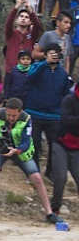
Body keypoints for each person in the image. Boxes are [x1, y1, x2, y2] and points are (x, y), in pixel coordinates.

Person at [0, 98, 62, 224]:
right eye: (9, 115)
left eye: (14, 115)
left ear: (20, 112)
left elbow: (26, 141)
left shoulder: (26, 119)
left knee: (37, 177)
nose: (11, 118)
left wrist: (17, 150)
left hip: (19, 150)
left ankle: (49, 213)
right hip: (0, 147)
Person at [25, 42, 72, 174]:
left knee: (54, 146)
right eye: (51, 53)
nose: (54, 56)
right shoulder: (36, 67)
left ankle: (50, 171)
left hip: (54, 116)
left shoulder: (63, 74)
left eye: (56, 54)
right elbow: (29, 79)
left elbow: (66, 94)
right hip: (34, 113)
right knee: (33, 144)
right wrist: (45, 63)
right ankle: (34, 172)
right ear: (45, 55)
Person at [51, 84, 79, 215]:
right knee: (61, 177)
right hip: (61, 142)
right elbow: (66, 120)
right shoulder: (69, 99)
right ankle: (54, 209)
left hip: (77, 146)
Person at [3, 0, 42, 71]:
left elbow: (38, 26)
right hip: (11, 71)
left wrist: (30, 11)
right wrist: (16, 7)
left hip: (27, 71)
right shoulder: (10, 34)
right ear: (17, 20)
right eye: (21, 16)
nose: (23, 18)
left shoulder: (31, 35)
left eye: (26, 17)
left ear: (30, 22)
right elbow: (8, 23)